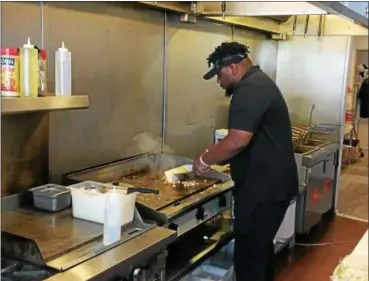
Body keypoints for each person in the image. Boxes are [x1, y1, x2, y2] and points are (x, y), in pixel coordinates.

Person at [192, 42, 299, 281]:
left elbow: (239, 139)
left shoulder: (250, 89)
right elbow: (243, 137)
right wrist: (216, 150)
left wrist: (203, 161)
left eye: (218, 76)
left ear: (232, 68)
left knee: (249, 258)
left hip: (263, 191)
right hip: (269, 188)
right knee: (259, 253)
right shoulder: (258, 83)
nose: (219, 83)